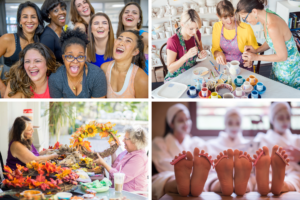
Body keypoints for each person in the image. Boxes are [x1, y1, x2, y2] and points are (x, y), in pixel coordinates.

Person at [236, 0, 300, 89]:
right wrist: (257, 50)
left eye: (244, 18)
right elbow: (273, 40)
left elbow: (282, 56)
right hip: (279, 65)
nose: (245, 21)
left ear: (254, 11)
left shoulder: (272, 26)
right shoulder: (266, 16)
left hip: (289, 69)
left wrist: (256, 57)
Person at [152, 104, 207, 199]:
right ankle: (183, 183)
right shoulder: (159, 143)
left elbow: (205, 166)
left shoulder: (197, 142)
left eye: (188, 119)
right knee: (168, 177)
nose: (186, 123)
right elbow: (164, 165)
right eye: (181, 120)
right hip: (168, 174)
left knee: (211, 179)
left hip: (196, 177)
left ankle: (193, 183)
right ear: (171, 124)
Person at [204, 108, 254, 196]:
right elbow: (210, 167)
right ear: (225, 124)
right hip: (218, 175)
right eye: (230, 123)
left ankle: (240, 185)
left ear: (241, 124)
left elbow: (251, 168)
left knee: (249, 179)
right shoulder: (212, 145)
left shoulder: (249, 145)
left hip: (243, 176)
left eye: (237, 123)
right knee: (214, 179)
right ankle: (224, 185)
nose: (234, 127)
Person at [253, 102, 300, 194]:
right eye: (281, 118)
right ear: (272, 120)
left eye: (288, 117)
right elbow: (252, 156)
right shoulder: (262, 139)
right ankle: (265, 183)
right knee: (258, 176)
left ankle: (281, 185)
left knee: (296, 177)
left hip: (292, 173)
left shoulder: (297, 139)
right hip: (267, 173)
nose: (285, 121)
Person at [49, 28, 107, 98]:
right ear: (64, 58)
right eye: (70, 56)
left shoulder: (97, 75)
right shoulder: (55, 78)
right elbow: (58, 106)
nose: (75, 61)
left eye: (80, 57)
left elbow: (96, 105)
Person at [93, 126, 148, 193]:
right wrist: (113, 151)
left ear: (135, 141)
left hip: (130, 195)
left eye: (125, 138)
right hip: (117, 191)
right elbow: (115, 168)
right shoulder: (127, 152)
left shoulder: (139, 158)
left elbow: (120, 178)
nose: (123, 140)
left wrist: (103, 163)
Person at [212, 0, 259, 71]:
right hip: (225, 66)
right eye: (225, 18)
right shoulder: (217, 26)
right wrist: (218, 54)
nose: (229, 21)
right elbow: (215, 48)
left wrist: (250, 59)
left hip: (243, 66)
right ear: (218, 16)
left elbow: (254, 49)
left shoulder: (246, 28)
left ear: (234, 12)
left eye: (231, 16)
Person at [101, 30, 148, 98]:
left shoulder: (142, 79)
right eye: (120, 39)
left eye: (128, 41)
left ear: (135, 52)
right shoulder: (104, 68)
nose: (121, 43)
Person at [165, 9, 207, 82]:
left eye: (196, 28)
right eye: (191, 28)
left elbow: (200, 52)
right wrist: (186, 56)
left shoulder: (197, 34)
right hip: (176, 77)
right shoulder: (173, 41)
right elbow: (170, 69)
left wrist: (201, 54)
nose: (194, 32)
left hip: (192, 72)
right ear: (182, 24)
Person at [0, 1, 44, 67]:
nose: (29, 20)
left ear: (38, 21)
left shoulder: (41, 41)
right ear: (20, 21)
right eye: (25, 17)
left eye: (33, 17)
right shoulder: (7, 39)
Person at [116, 2, 149, 75]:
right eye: (126, 12)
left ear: (139, 19)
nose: (130, 14)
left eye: (134, 13)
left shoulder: (145, 36)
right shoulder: (118, 38)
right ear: (122, 17)